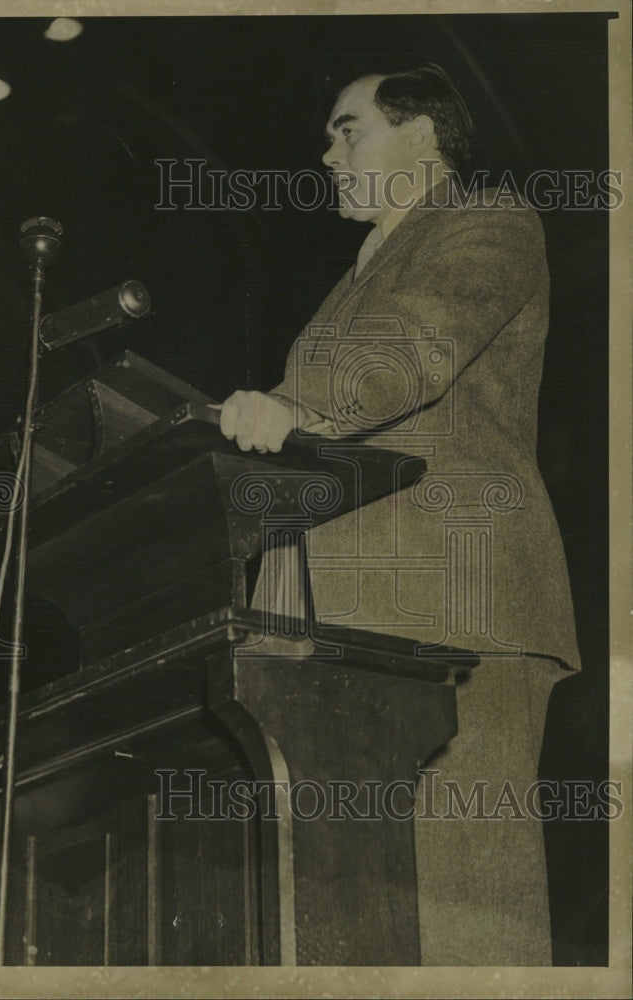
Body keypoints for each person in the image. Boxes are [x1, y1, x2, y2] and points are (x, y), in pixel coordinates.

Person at [219, 64, 581, 966]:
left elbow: (417, 343)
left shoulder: (486, 221)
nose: (327, 151)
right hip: (343, 618)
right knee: (366, 912)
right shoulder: (352, 276)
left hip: (457, 607)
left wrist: (297, 408)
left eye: (349, 129)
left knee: (466, 905)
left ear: (422, 136)